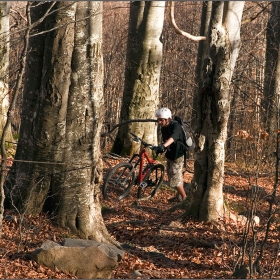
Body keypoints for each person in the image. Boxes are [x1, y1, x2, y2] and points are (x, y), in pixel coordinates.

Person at [155, 107, 187, 202]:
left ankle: (185, 199)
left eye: (161, 120)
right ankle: (179, 196)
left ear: (167, 119)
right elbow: (166, 140)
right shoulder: (164, 128)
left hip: (178, 155)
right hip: (170, 154)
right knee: (174, 176)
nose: (159, 122)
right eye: (158, 120)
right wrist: (161, 147)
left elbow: (174, 137)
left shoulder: (176, 125)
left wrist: (164, 146)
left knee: (175, 180)